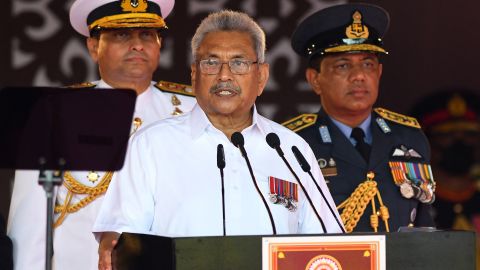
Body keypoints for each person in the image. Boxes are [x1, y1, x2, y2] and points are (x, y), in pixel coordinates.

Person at [93, 10, 343, 269]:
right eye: (211, 63)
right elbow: (121, 240)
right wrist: (113, 245)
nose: (224, 75)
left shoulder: (291, 150)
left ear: (262, 77)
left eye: (239, 62)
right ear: (194, 74)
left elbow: (329, 243)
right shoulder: (151, 145)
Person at [7, 0, 196, 269]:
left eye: (147, 34)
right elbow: (30, 227)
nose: (137, 45)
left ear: (159, 44)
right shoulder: (54, 112)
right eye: (121, 35)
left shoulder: (193, 110)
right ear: (94, 47)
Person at [283, 3, 435, 232]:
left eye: (368, 64)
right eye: (343, 66)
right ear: (315, 79)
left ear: (379, 72)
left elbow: (424, 224)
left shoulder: (409, 136)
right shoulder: (293, 143)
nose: (359, 76)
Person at [411, 90, 480, 266]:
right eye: (447, 135)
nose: (460, 143)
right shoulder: (413, 202)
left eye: (470, 135)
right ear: (428, 142)